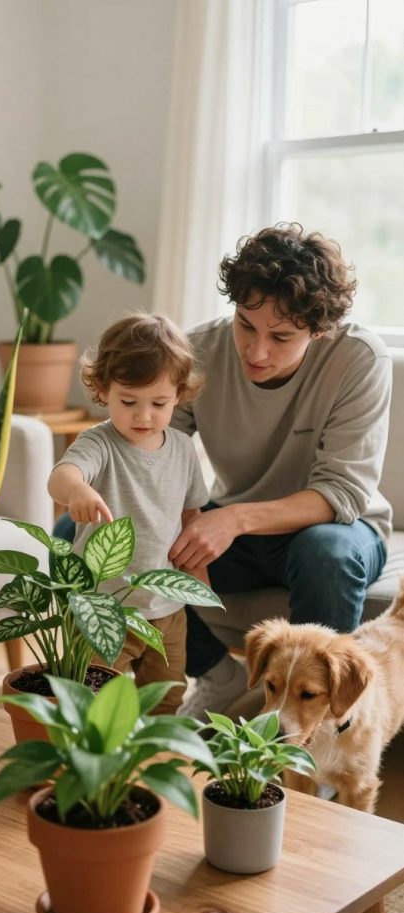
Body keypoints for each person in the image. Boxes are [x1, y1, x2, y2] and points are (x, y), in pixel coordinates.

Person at [169, 223, 392, 719]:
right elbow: (154, 454)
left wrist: (231, 520)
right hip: (243, 534)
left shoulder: (358, 358)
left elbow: (340, 493)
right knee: (92, 529)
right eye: (246, 325)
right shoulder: (197, 350)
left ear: (320, 330)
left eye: (282, 336)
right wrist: (188, 521)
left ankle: (326, 725)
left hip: (339, 528)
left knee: (324, 551)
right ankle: (214, 674)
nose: (257, 350)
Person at [48, 312, 210, 712]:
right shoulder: (99, 443)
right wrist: (79, 491)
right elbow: (60, 477)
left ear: (180, 395)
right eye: (128, 401)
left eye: (159, 403)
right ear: (103, 389)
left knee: (167, 698)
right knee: (93, 698)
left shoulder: (184, 449)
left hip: (167, 609)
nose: (144, 416)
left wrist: (197, 568)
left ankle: (152, 766)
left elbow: (192, 513)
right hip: (104, 607)